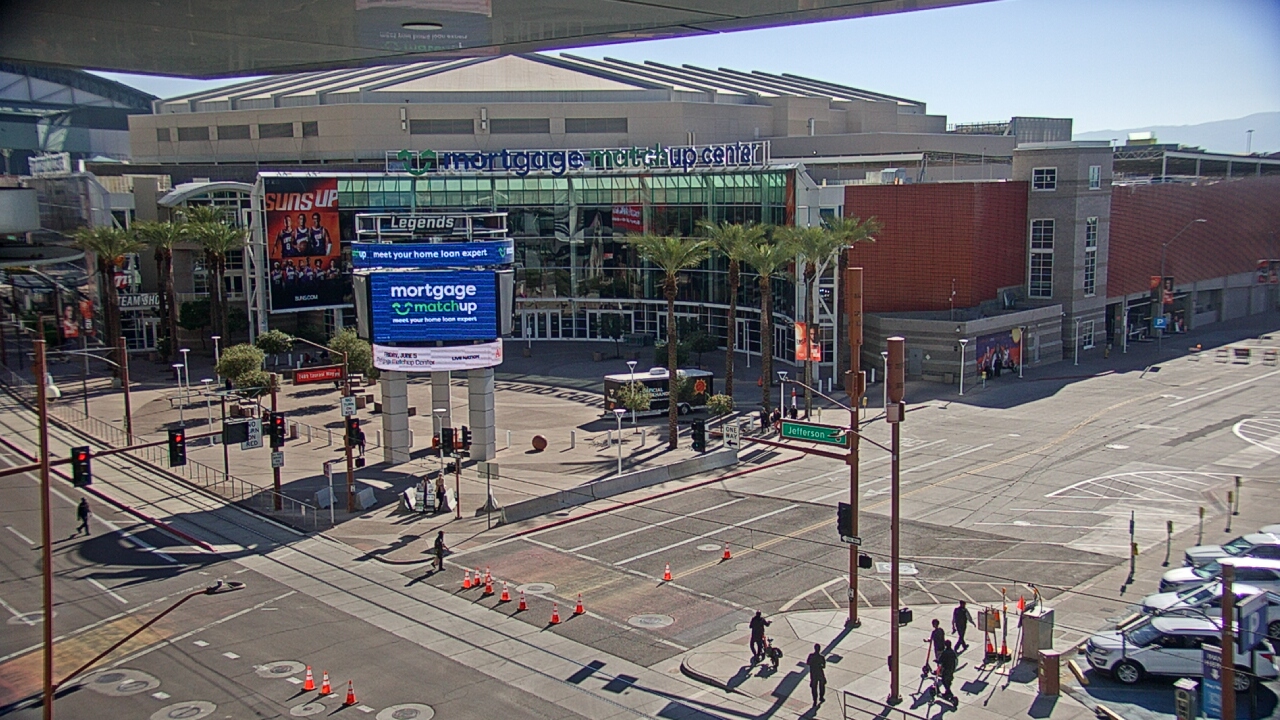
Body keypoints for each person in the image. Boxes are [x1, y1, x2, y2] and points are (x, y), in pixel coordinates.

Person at [937, 639, 958, 704]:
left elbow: (941, 660)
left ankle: (949, 693)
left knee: (944, 680)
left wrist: (937, 661)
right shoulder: (952, 652)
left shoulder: (945, 652)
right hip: (951, 669)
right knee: (948, 681)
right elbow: (955, 660)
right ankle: (947, 692)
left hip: (946, 669)